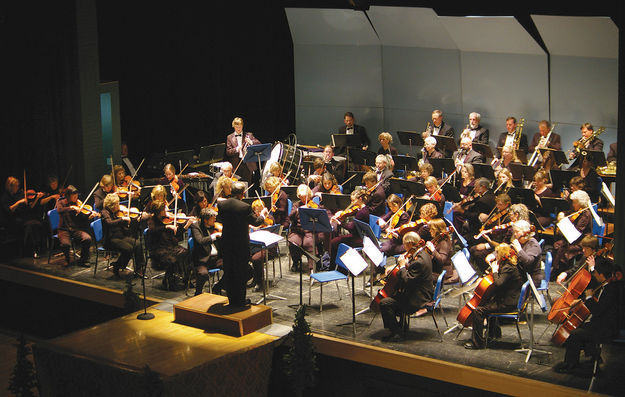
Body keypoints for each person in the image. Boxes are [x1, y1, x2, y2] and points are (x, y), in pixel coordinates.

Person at [553, 260, 618, 374]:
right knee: (582, 327)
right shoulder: (606, 286)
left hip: (606, 329)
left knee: (574, 334)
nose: (594, 275)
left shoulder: (610, 290)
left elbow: (598, 311)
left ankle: (571, 365)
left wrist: (588, 298)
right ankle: (594, 355)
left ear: (601, 275)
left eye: (596, 273)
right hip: (601, 324)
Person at [216, 181, 267, 306]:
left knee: (229, 271)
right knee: (241, 272)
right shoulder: (244, 207)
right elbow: (256, 222)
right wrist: (263, 215)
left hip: (227, 243)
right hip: (240, 244)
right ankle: (240, 301)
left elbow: (221, 220)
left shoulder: (222, 205)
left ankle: (232, 300)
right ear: (242, 193)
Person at [464, 243, 523, 349]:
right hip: (509, 298)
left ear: (501, 255)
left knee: (478, 311)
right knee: (489, 303)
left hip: (507, 303)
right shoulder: (508, 263)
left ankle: (477, 343)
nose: (495, 254)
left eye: (496, 253)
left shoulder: (508, 268)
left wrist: (495, 271)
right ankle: (493, 334)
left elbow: (499, 283)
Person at [379, 232, 433, 342]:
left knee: (384, 303)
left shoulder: (419, 261)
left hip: (418, 298)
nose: (404, 247)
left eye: (405, 244)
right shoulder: (424, 253)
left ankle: (396, 332)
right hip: (422, 291)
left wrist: (402, 265)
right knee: (395, 295)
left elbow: (407, 280)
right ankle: (402, 325)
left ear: (411, 244)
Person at [146, 200, 187, 291]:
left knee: (185, 252)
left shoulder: (166, 219)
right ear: (158, 212)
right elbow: (152, 230)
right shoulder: (152, 221)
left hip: (169, 245)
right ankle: (169, 280)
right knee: (172, 259)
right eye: (163, 210)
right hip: (158, 248)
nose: (166, 212)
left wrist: (186, 224)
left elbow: (177, 234)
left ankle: (184, 278)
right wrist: (166, 227)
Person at [1, 176, 45, 258]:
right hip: (12, 220)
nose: (18, 188)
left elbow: (30, 207)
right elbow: (9, 210)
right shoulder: (5, 197)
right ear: (10, 187)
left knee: (36, 222)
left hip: (23, 217)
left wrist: (37, 198)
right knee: (30, 226)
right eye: (16, 186)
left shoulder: (20, 194)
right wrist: (19, 202)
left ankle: (35, 247)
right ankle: (33, 249)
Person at [101, 193, 143, 278]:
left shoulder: (117, 212)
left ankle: (139, 268)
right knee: (128, 249)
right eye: (117, 204)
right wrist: (122, 219)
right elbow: (109, 223)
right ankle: (117, 266)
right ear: (111, 205)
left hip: (121, 237)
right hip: (111, 239)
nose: (119, 205)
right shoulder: (105, 212)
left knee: (137, 244)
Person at [552, 190, 593, 275]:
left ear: (580, 203)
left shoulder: (585, 214)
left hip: (581, 240)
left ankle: (563, 271)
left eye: (574, 203)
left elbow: (577, 231)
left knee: (564, 247)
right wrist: (561, 214)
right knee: (557, 244)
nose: (573, 204)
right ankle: (557, 268)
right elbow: (568, 212)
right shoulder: (577, 210)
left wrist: (565, 225)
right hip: (572, 238)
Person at [55, 185, 96, 267]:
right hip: (64, 229)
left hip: (75, 229)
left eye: (77, 195)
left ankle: (83, 260)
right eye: (73, 196)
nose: (76, 197)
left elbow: (82, 218)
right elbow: (59, 210)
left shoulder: (78, 204)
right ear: (68, 196)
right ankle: (67, 260)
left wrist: (89, 216)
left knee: (87, 238)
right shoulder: (61, 202)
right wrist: (71, 208)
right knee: (65, 244)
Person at [189, 207, 222, 296]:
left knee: (232, 267)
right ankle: (198, 293)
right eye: (213, 218)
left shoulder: (215, 226)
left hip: (216, 258)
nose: (215, 220)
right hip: (202, 260)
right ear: (205, 220)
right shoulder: (196, 227)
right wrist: (214, 236)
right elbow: (200, 241)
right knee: (203, 274)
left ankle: (218, 287)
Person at [225, 117, 261, 184]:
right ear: (233, 126)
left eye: (240, 127)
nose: (239, 129)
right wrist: (236, 149)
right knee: (237, 184)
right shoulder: (229, 137)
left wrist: (251, 142)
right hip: (236, 164)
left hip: (247, 164)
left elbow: (259, 144)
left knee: (248, 184)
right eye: (237, 127)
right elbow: (228, 152)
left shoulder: (248, 135)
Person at [510, 220, 542, 286]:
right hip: (521, 275)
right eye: (514, 232)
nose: (515, 234)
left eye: (517, 232)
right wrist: (494, 254)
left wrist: (519, 249)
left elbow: (528, 261)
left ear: (525, 232)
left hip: (531, 279)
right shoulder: (520, 241)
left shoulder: (533, 244)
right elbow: (507, 249)